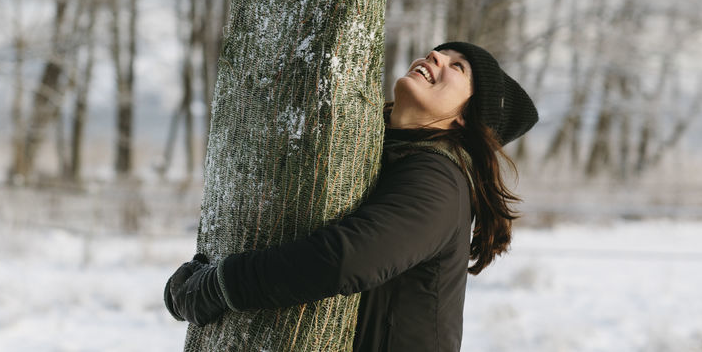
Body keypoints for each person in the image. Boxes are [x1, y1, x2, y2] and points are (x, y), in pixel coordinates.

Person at [163, 41, 538, 352]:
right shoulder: (385, 153)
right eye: (440, 52)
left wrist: (218, 285)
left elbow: (344, 260)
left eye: (458, 67)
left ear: (464, 119)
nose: (435, 56)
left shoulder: (439, 181)